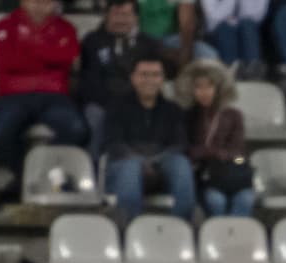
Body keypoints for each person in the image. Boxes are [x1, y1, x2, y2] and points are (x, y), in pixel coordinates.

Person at [0, 0, 87, 190]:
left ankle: (48, 174)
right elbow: (9, 61)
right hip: (13, 95)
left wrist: (29, 48)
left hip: (54, 95)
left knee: (77, 130)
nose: (41, 5)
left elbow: (67, 57)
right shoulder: (5, 25)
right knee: (0, 134)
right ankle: (25, 176)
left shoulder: (66, 28)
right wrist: (47, 54)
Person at [104, 53, 196, 224]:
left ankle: (182, 228)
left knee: (181, 165)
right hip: (125, 166)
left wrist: (154, 161)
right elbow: (114, 143)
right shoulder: (116, 107)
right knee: (130, 168)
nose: (150, 80)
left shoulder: (173, 110)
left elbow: (180, 144)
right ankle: (131, 230)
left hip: (161, 165)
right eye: (144, 75)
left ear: (162, 79)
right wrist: (139, 161)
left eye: (155, 75)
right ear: (133, 78)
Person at [79, 0, 163, 161]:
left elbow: (152, 82)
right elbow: (89, 82)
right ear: (106, 16)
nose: (120, 20)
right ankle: (94, 173)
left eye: (125, 15)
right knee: (94, 116)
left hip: (137, 103)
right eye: (115, 14)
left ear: (136, 18)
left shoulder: (149, 44)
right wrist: (114, 105)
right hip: (102, 103)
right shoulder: (92, 41)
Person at [176, 60, 253, 218]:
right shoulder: (186, 116)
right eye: (198, 87)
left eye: (209, 86)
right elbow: (186, 150)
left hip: (231, 172)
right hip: (202, 176)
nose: (204, 92)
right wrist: (216, 153)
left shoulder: (233, 115)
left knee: (246, 199)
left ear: (218, 88)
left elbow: (237, 152)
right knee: (216, 200)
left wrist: (211, 152)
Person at [199, 0, 267, 77]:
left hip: (246, 29)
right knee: (226, 28)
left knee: (248, 25)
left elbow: (258, 15)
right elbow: (213, 18)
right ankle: (232, 68)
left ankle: (253, 66)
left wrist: (237, 20)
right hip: (218, 29)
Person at [137, 0, 217, 65]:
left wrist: (185, 53)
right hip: (140, 38)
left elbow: (187, 24)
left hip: (170, 39)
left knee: (209, 56)